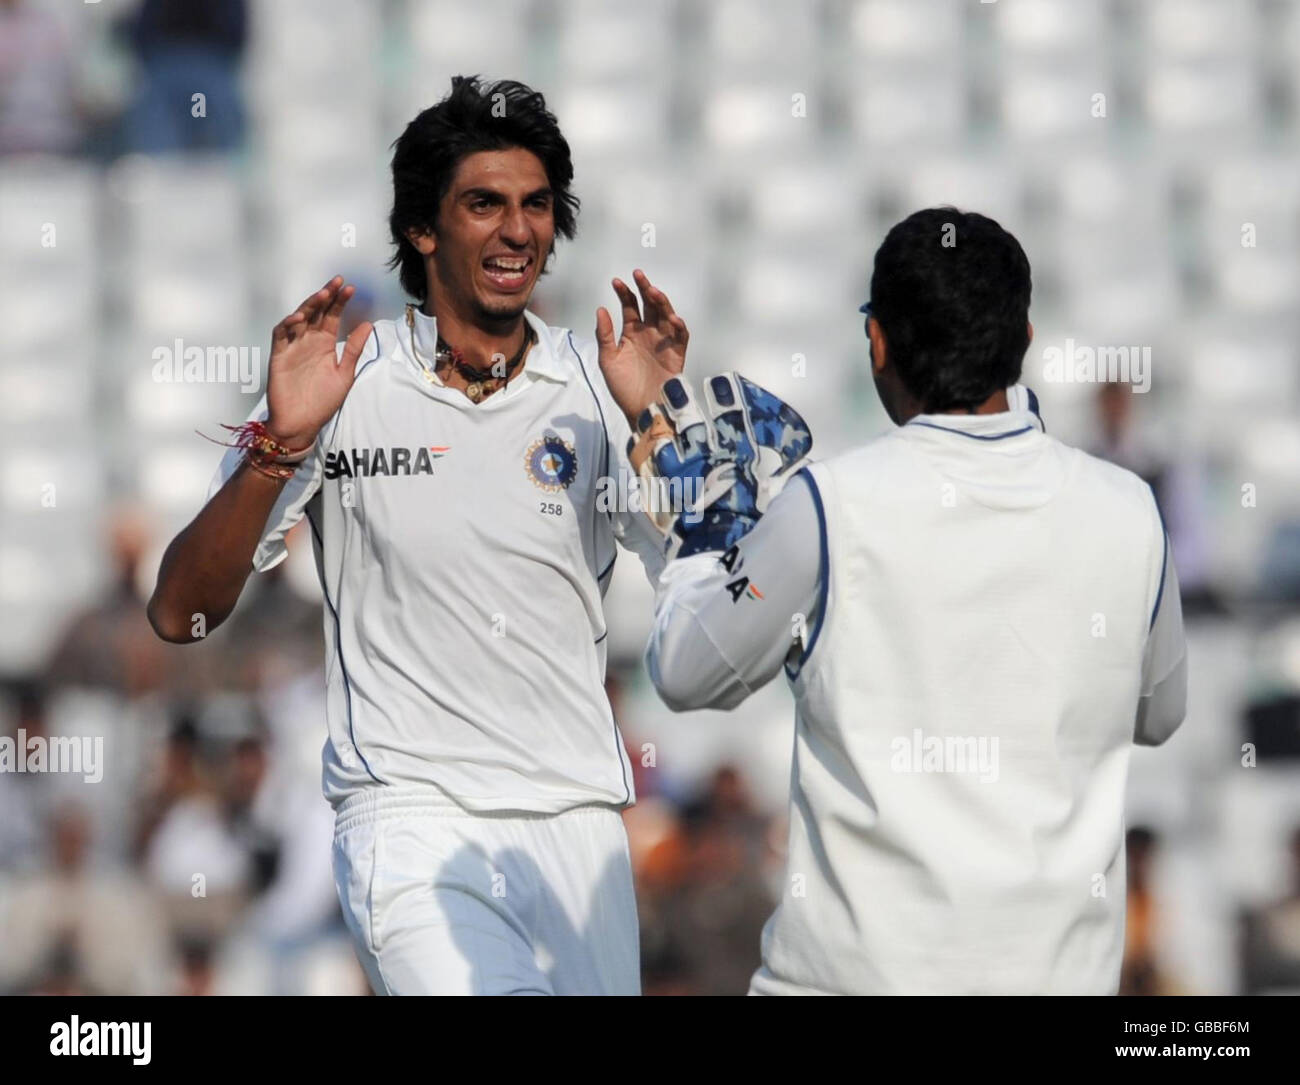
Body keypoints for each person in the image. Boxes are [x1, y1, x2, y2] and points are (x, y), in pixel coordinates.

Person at [148, 76, 689, 995]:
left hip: (579, 824)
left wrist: (663, 424)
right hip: (409, 816)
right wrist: (280, 446)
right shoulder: (341, 383)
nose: (518, 231)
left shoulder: (603, 385)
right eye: (484, 204)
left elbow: (718, 583)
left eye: (536, 206)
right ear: (422, 229)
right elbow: (180, 612)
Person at [645, 208, 1188, 995]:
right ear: (1026, 338)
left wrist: (707, 510)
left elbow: (687, 668)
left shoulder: (831, 504)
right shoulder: (1128, 506)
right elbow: (1160, 713)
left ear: (878, 343)